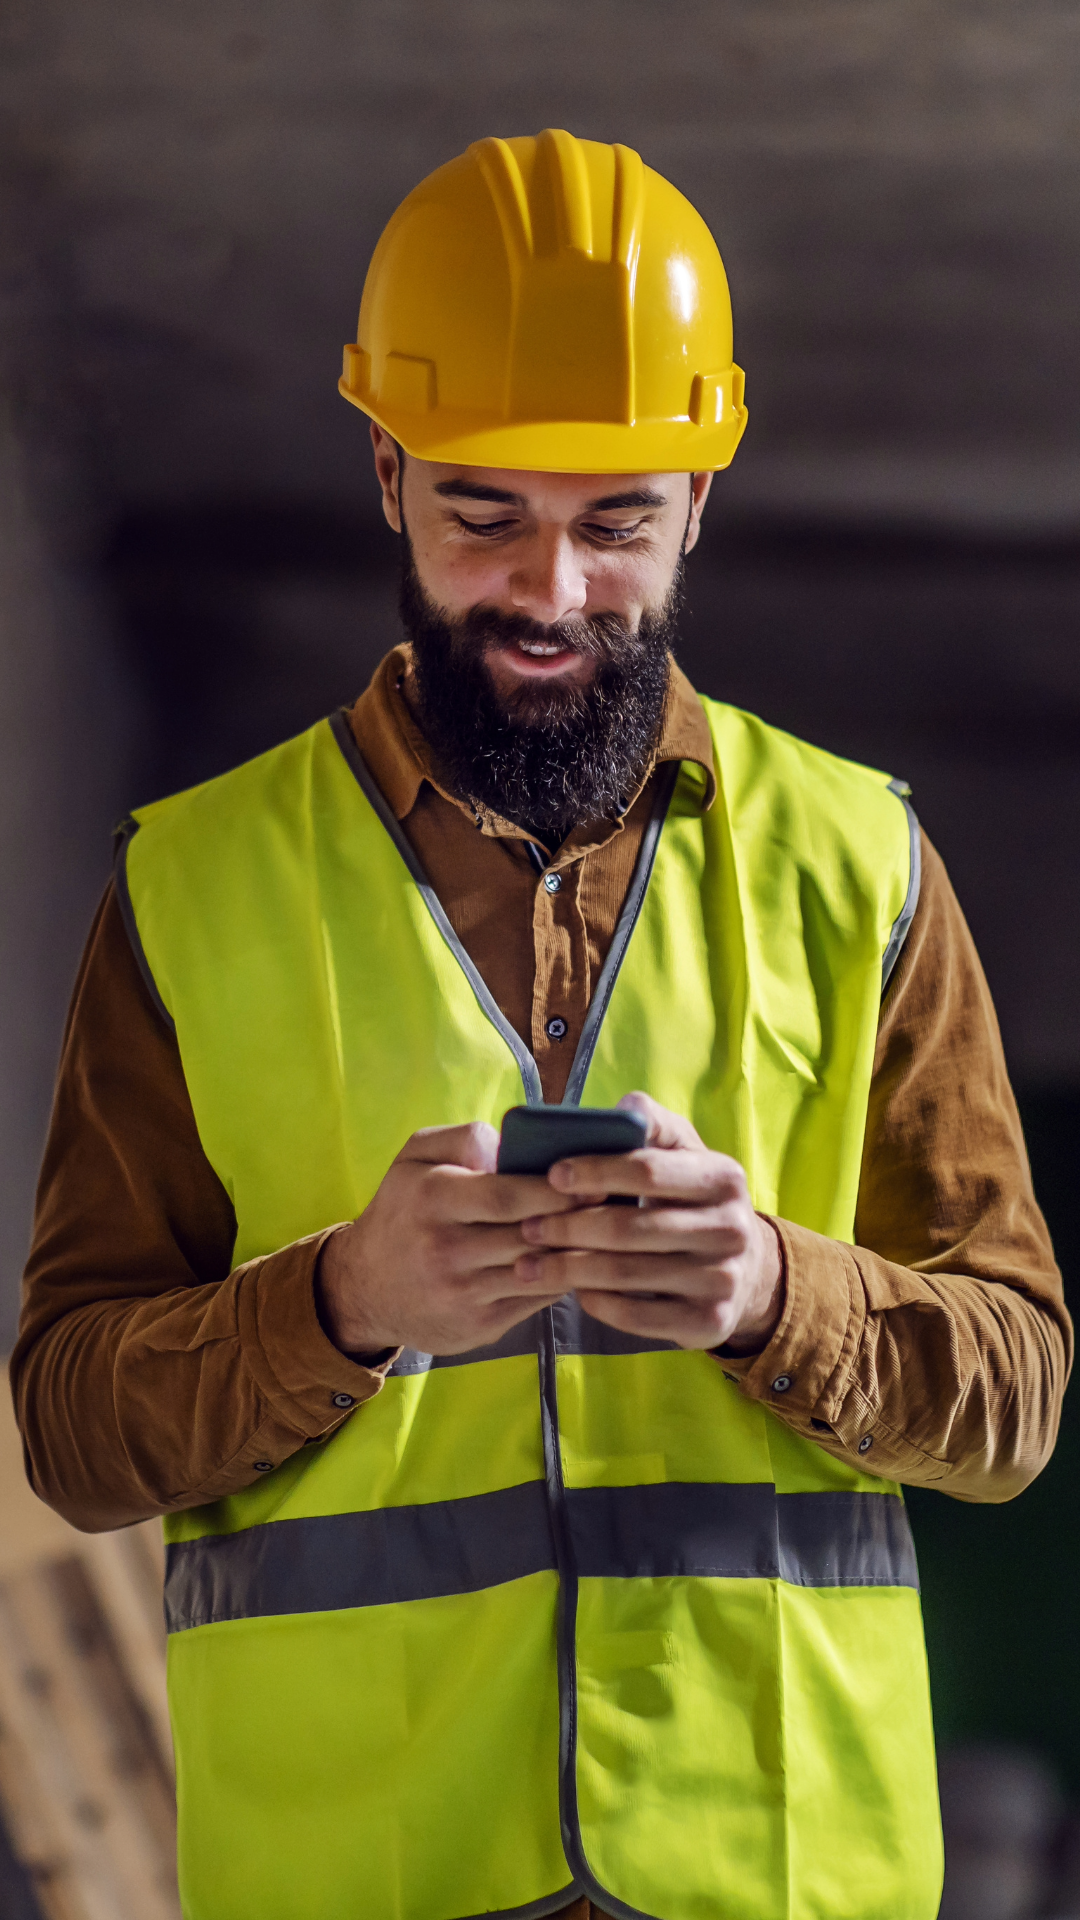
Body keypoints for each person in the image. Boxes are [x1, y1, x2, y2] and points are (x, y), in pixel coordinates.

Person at [10, 130, 1070, 1920]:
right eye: (483, 517)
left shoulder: (861, 867)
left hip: (774, 1879)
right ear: (387, 473)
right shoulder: (192, 892)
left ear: (700, 502)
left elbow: (1017, 1394)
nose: (552, 596)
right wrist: (344, 1305)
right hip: (362, 1884)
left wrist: (775, 1296)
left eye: (617, 526)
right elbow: (71, 1431)